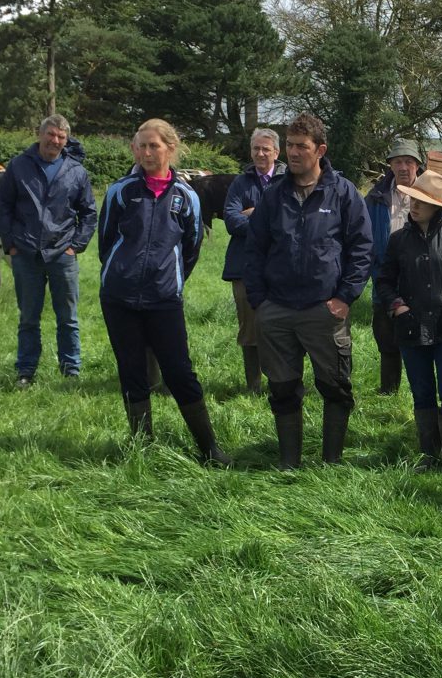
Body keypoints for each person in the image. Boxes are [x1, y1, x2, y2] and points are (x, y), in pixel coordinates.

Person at [98, 118, 231, 466]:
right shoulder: (119, 191)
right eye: (140, 145)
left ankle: (210, 449)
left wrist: (169, 279)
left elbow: (191, 247)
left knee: (179, 372)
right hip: (119, 298)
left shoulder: (186, 196)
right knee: (131, 370)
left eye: (153, 145)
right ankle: (142, 448)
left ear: (170, 148)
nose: (146, 152)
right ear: (133, 149)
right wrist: (123, 274)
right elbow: (106, 242)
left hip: (163, 300)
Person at [244, 113, 372, 469]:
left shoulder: (344, 193)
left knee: (335, 387)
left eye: (302, 146)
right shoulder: (274, 196)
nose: (293, 152)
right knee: (283, 389)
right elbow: (254, 249)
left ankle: (331, 461)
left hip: (323, 309)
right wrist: (260, 302)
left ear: (320, 150)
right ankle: (289, 463)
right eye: (290, 144)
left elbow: (361, 248)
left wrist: (345, 297)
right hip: (277, 310)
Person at [375, 170, 442, 471]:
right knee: (422, 392)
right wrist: (398, 308)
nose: (414, 205)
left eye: (422, 201)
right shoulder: (397, 240)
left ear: (438, 205)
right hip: (411, 326)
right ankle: (430, 454)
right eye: (413, 199)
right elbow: (384, 280)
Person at [0, 114, 97, 387]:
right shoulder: (18, 166)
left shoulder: (76, 170)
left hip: (61, 254)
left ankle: (71, 371)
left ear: (66, 141)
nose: (55, 141)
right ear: (40, 134)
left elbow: (89, 213)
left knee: (68, 318)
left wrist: (75, 246)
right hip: (26, 253)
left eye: (61, 137)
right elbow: (3, 207)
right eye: (51, 135)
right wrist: (11, 244)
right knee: (28, 317)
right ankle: (26, 371)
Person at [366, 138, 442, 395]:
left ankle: (426, 391)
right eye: (397, 162)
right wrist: (375, 274)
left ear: (418, 165)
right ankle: (389, 391)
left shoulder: (435, 194)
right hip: (387, 278)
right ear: (390, 166)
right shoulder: (374, 197)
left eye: (408, 162)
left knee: (426, 337)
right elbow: (364, 238)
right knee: (386, 338)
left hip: (424, 281)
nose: (403, 167)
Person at [222, 128, 286, 394]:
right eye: (256, 149)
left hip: (282, 267)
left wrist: (253, 214)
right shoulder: (240, 183)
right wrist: (267, 220)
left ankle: (281, 383)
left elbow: (289, 221)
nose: (260, 154)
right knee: (249, 327)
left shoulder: (288, 181)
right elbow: (231, 221)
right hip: (244, 267)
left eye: (266, 149)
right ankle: (253, 386)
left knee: (281, 327)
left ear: (276, 153)